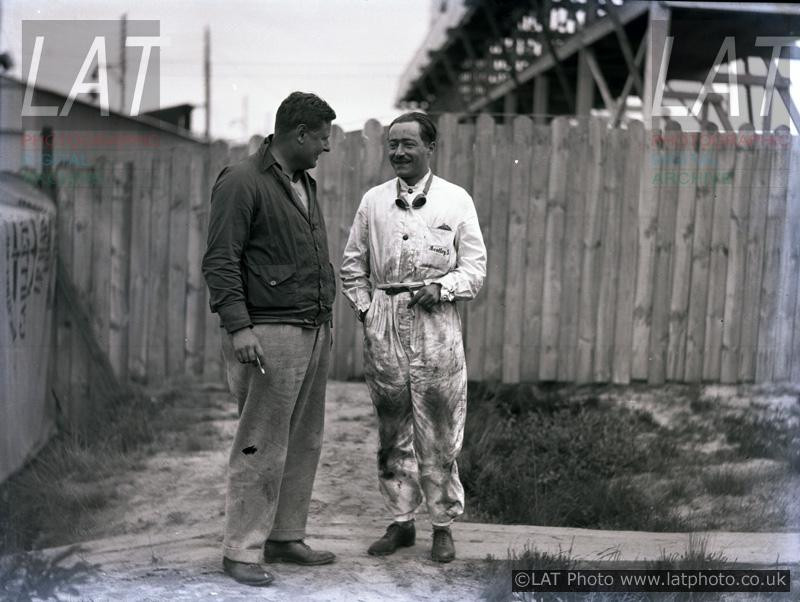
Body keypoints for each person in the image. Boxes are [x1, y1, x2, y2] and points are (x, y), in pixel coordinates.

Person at [202, 91, 337, 586]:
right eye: (322, 137)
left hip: (313, 325)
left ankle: (284, 535)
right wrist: (239, 327)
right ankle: (240, 550)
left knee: (304, 439)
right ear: (299, 133)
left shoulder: (303, 183)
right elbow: (220, 260)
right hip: (268, 330)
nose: (326, 147)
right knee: (260, 441)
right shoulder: (242, 181)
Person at [340, 112, 486, 563]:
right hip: (385, 323)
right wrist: (368, 311)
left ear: (430, 148)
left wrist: (443, 288)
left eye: (408, 144)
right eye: (393, 145)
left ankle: (442, 525)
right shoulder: (374, 202)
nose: (399, 153)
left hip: (437, 324)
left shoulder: (455, 201)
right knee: (393, 429)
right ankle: (401, 522)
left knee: (440, 427)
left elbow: (474, 269)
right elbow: (352, 266)